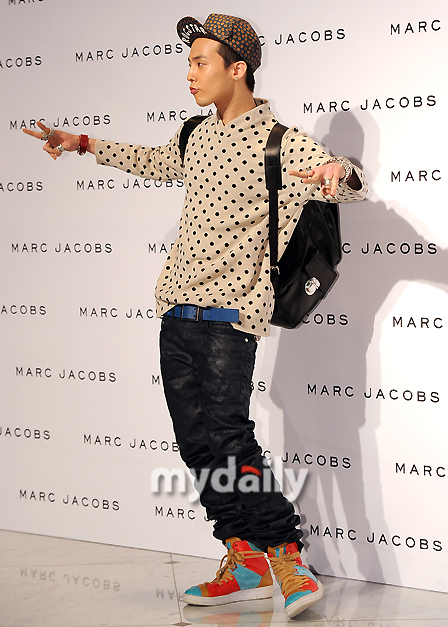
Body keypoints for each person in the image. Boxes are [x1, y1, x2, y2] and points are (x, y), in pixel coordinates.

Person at [24, 13, 368, 619]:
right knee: (197, 444)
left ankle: (287, 554)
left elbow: (349, 184)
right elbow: (152, 161)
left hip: (231, 317)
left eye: (200, 62)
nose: (189, 74)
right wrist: (82, 143)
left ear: (237, 68)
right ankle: (243, 558)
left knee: (231, 439)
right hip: (177, 313)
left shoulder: (280, 141)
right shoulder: (195, 135)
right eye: (188, 63)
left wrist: (338, 173)